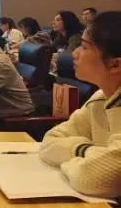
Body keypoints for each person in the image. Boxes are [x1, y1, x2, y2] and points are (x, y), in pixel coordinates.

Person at [39, 11, 121, 199]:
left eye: (84, 47)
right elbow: (50, 142)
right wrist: (85, 150)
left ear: (115, 65)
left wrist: (85, 163)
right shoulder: (101, 98)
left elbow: (96, 179)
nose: (74, 54)